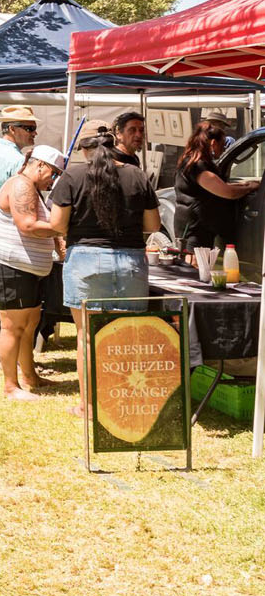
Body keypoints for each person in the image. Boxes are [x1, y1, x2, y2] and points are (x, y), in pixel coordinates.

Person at [47, 132, 162, 418]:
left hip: (85, 261)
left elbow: (58, 225)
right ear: (115, 147)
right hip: (130, 261)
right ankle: (126, 399)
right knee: (129, 336)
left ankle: (88, 406)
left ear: (85, 150)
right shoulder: (136, 175)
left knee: (87, 338)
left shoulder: (72, 176)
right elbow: (153, 224)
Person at [0, 145, 67, 400]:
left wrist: (57, 238)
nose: (53, 179)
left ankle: (30, 376)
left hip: (25, 268)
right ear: (40, 165)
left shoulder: (33, 189)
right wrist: (60, 227)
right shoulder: (21, 185)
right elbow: (27, 225)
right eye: (53, 173)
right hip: (10, 265)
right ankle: (10, 386)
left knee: (29, 324)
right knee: (13, 327)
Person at [176, 112, 258, 253]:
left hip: (198, 228)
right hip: (194, 232)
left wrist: (245, 185)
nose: (224, 149)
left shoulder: (194, 161)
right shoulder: (198, 165)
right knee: (195, 270)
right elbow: (228, 192)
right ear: (213, 144)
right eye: (222, 144)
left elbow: (218, 186)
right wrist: (249, 188)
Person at [0, 106, 37, 209]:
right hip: (12, 224)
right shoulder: (17, 160)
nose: (35, 133)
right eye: (30, 129)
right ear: (12, 129)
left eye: (35, 129)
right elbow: (24, 206)